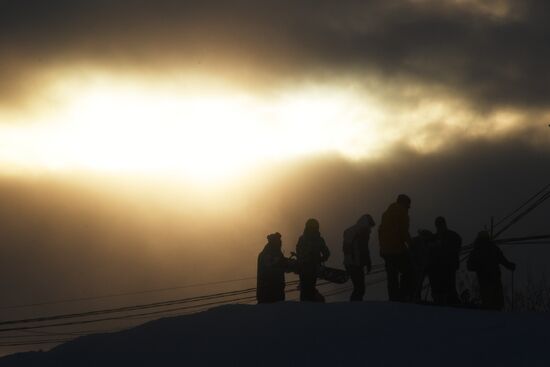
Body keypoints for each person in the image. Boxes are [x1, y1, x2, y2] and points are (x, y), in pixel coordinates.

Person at [467, 231, 516, 311]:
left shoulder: (476, 250)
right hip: (494, 278)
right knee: (496, 303)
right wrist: (510, 265)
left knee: (488, 302)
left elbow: (469, 266)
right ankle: (495, 318)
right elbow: (502, 260)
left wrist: (479, 267)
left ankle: (489, 318)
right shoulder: (493, 248)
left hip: (485, 279)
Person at [378, 194, 414, 302]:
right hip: (397, 249)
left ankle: (393, 298)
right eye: (408, 205)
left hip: (386, 250)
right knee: (408, 271)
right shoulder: (402, 213)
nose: (408, 208)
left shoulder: (386, 214)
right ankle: (403, 296)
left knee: (392, 276)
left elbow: (381, 231)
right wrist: (411, 245)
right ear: (404, 203)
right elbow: (403, 232)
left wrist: (382, 249)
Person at [428, 216, 462, 305]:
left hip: (448, 266)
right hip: (437, 267)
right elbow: (429, 249)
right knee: (438, 287)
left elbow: (456, 247)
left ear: (444, 224)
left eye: (441, 224)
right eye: (438, 225)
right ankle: (439, 301)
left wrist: (442, 245)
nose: (439, 226)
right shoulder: (434, 237)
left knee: (449, 286)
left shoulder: (453, 236)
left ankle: (451, 302)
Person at [296, 218, 330, 302]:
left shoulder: (303, 239)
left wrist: (321, 259)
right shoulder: (316, 239)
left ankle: (307, 304)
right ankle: (309, 304)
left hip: (307, 268)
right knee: (308, 287)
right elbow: (326, 253)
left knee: (307, 288)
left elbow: (326, 252)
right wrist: (321, 259)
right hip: (308, 268)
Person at [343, 214, 376, 301]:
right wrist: (368, 262)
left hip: (351, 263)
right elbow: (363, 249)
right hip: (355, 264)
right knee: (360, 288)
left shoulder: (353, 231)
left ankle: (355, 306)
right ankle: (355, 306)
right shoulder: (362, 233)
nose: (370, 229)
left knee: (358, 287)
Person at [257, 232, 292, 303]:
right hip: (267, 294)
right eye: (279, 242)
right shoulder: (266, 254)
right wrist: (287, 263)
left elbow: (281, 264)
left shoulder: (275, 253)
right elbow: (274, 264)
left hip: (277, 292)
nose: (280, 244)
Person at [409, 229, 433, 302]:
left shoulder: (428, 243)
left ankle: (415, 298)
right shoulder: (416, 242)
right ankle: (415, 298)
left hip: (421, 267)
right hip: (417, 268)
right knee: (416, 285)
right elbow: (411, 255)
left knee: (418, 285)